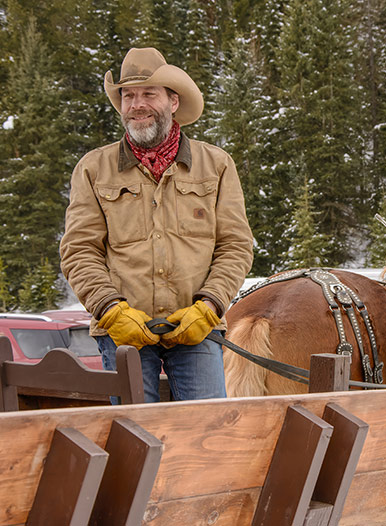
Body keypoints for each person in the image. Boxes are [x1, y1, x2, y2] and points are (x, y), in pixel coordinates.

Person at [60, 47, 253, 402]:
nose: (136, 104)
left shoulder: (217, 165)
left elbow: (235, 245)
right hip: (122, 333)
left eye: (149, 93)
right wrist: (110, 309)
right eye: (128, 95)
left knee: (209, 430)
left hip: (197, 329)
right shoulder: (92, 168)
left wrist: (209, 306)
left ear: (173, 101)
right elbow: (78, 251)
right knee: (132, 439)